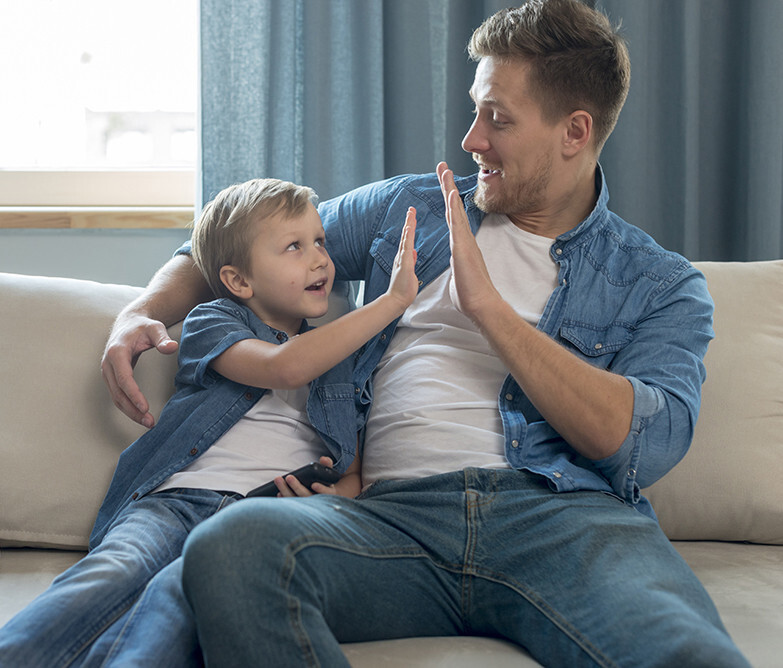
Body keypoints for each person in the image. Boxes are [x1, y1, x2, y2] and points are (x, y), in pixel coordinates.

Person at [102, 1, 750, 666]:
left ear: (573, 131)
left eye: (497, 118)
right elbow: (235, 246)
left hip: (563, 524)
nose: (470, 139)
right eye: (475, 110)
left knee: (687, 652)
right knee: (230, 548)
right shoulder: (411, 208)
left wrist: (490, 312)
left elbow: (645, 445)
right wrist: (139, 312)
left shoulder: (659, 283)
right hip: (388, 520)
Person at [0, 178, 418, 667]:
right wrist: (391, 301)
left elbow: (354, 468)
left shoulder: (342, 362)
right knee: (117, 569)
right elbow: (282, 366)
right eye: (294, 247)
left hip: (250, 523)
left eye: (321, 241)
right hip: (175, 502)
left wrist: (338, 497)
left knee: (174, 606)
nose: (320, 259)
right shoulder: (214, 321)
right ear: (239, 281)